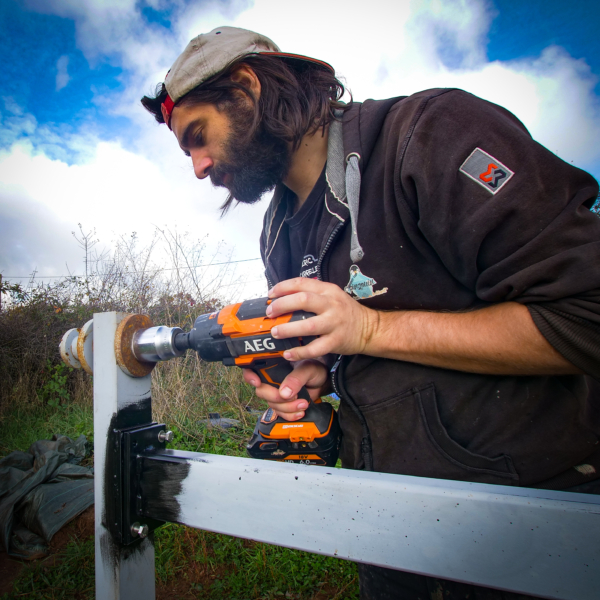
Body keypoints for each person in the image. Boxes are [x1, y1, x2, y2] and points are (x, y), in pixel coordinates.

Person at [142, 26, 600, 600]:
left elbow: (586, 316)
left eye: (197, 137)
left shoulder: (431, 136)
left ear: (246, 86)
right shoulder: (277, 231)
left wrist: (371, 328)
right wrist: (320, 373)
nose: (199, 168)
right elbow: (362, 358)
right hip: (385, 530)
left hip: (532, 529)